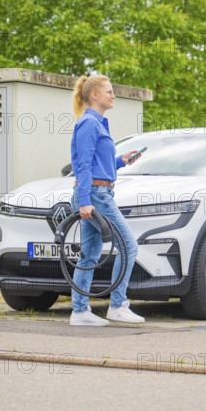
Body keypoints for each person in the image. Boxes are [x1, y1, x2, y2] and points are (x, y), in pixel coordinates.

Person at [69, 74, 146, 327]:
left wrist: (120, 161)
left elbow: (97, 164)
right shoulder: (90, 123)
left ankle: (80, 312)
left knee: (89, 255)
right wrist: (83, 202)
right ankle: (117, 305)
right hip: (94, 195)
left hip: (98, 192)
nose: (113, 95)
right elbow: (82, 166)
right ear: (94, 95)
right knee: (129, 246)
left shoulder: (98, 123)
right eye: (109, 91)